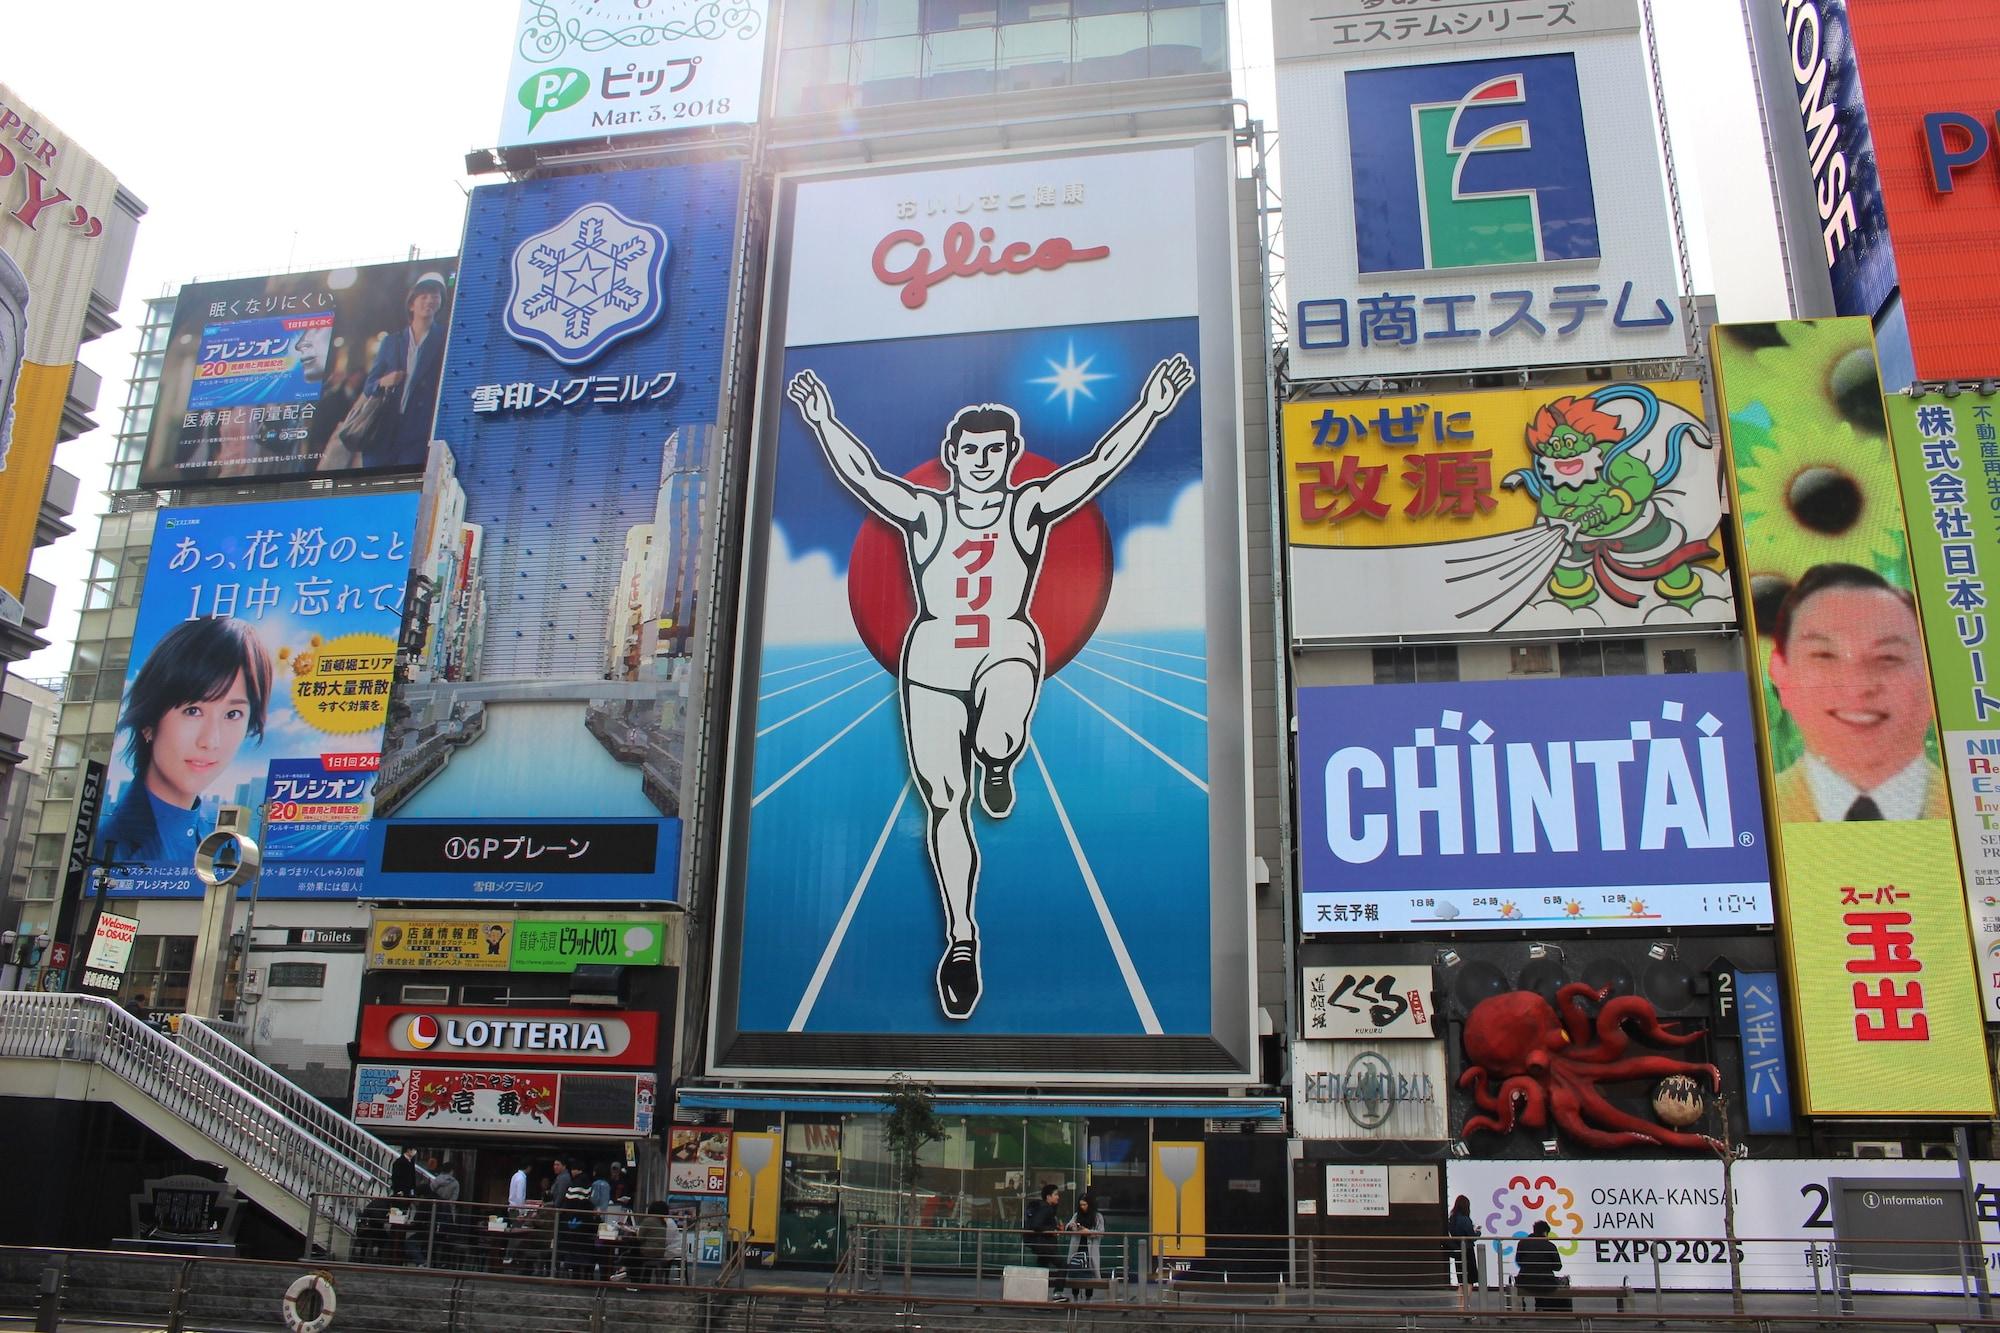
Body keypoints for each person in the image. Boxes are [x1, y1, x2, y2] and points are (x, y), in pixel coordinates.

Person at [786, 356, 1194, 1020]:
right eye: (970, 449)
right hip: (933, 660)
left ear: (1011, 455)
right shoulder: (925, 512)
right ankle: (961, 938)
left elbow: (1095, 469)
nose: (981, 460)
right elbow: (863, 475)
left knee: (999, 730)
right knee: (945, 802)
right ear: (952, 454)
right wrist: (822, 418)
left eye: (994, 450)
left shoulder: (1027, 508)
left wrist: (1150, 406)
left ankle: (1000, 758)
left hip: (1005, 642)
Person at [1767, 563, 1947, 823]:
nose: (1858, 686)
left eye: (1888, 657)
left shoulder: (1973, 810)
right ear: (1780, 673)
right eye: (1824, 655)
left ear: (1929, 675)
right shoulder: (1755, 812)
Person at [97, 617, 274, 866]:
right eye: (193, 710)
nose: (210, 740)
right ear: (149, 723)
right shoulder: (109, 845)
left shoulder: (222, 845)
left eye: (232, 714)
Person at [357, 271, 450, 470]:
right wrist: (384, 382)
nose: (429, 301)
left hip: (419, 431)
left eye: (435, 296)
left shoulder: (445, 338)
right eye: (423, 296)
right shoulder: (392, 341)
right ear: (411, 303)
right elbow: (369, 386)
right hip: (382, 429)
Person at [1025, 1182, 1068, 1301]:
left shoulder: (1045, 1208)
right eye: (1055, 1194)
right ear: (1048, 1197)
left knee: (1042, 1267)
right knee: (1063, 1264)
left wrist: (1054, 1229)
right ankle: (1057, 1293)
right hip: (1044, 1244)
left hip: (1040, 1244)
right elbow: (1036, 1225)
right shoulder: (1046, 1208)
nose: (1058, 1197)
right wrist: (1052, 1231)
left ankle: (1037, 1295)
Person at [1515, 1220, 1568, 1312]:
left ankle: (1521, 1308)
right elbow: (1558, 1267)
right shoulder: (1550, 1246)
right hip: (1546, 1282)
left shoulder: (1522, 1243)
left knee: (1533, 1277)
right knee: (1546, 1279)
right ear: (1545, 1232)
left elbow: (1519, 1261)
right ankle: (1540, 1307)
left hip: (1525, 1281)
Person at [1067, 1192, 1105, 1298]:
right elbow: (1068, 1225)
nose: (1082, 1207)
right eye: (1081, 1205)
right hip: (1077, 1248)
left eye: (1085, 1205)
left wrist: (1088, 1231)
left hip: (1090, 1248)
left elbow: (1101, 1232)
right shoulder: (1077, 1215)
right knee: (1075, 1272)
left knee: (1089, 1274)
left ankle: (1089, 1298)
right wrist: (1073, 1227)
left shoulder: (1097, 1217)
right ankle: (1075, 1297)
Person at [1446, 1194, 1480, 1308]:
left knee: (1461, 1281)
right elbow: (1471, 1236)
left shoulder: (1452, 1219)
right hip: (1468, 1252)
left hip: (1458, 1251)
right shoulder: (1465, 1219)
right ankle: (1465, 1307)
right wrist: (1477, 1232)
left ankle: (1460, 1307)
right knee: (1469, 1281)